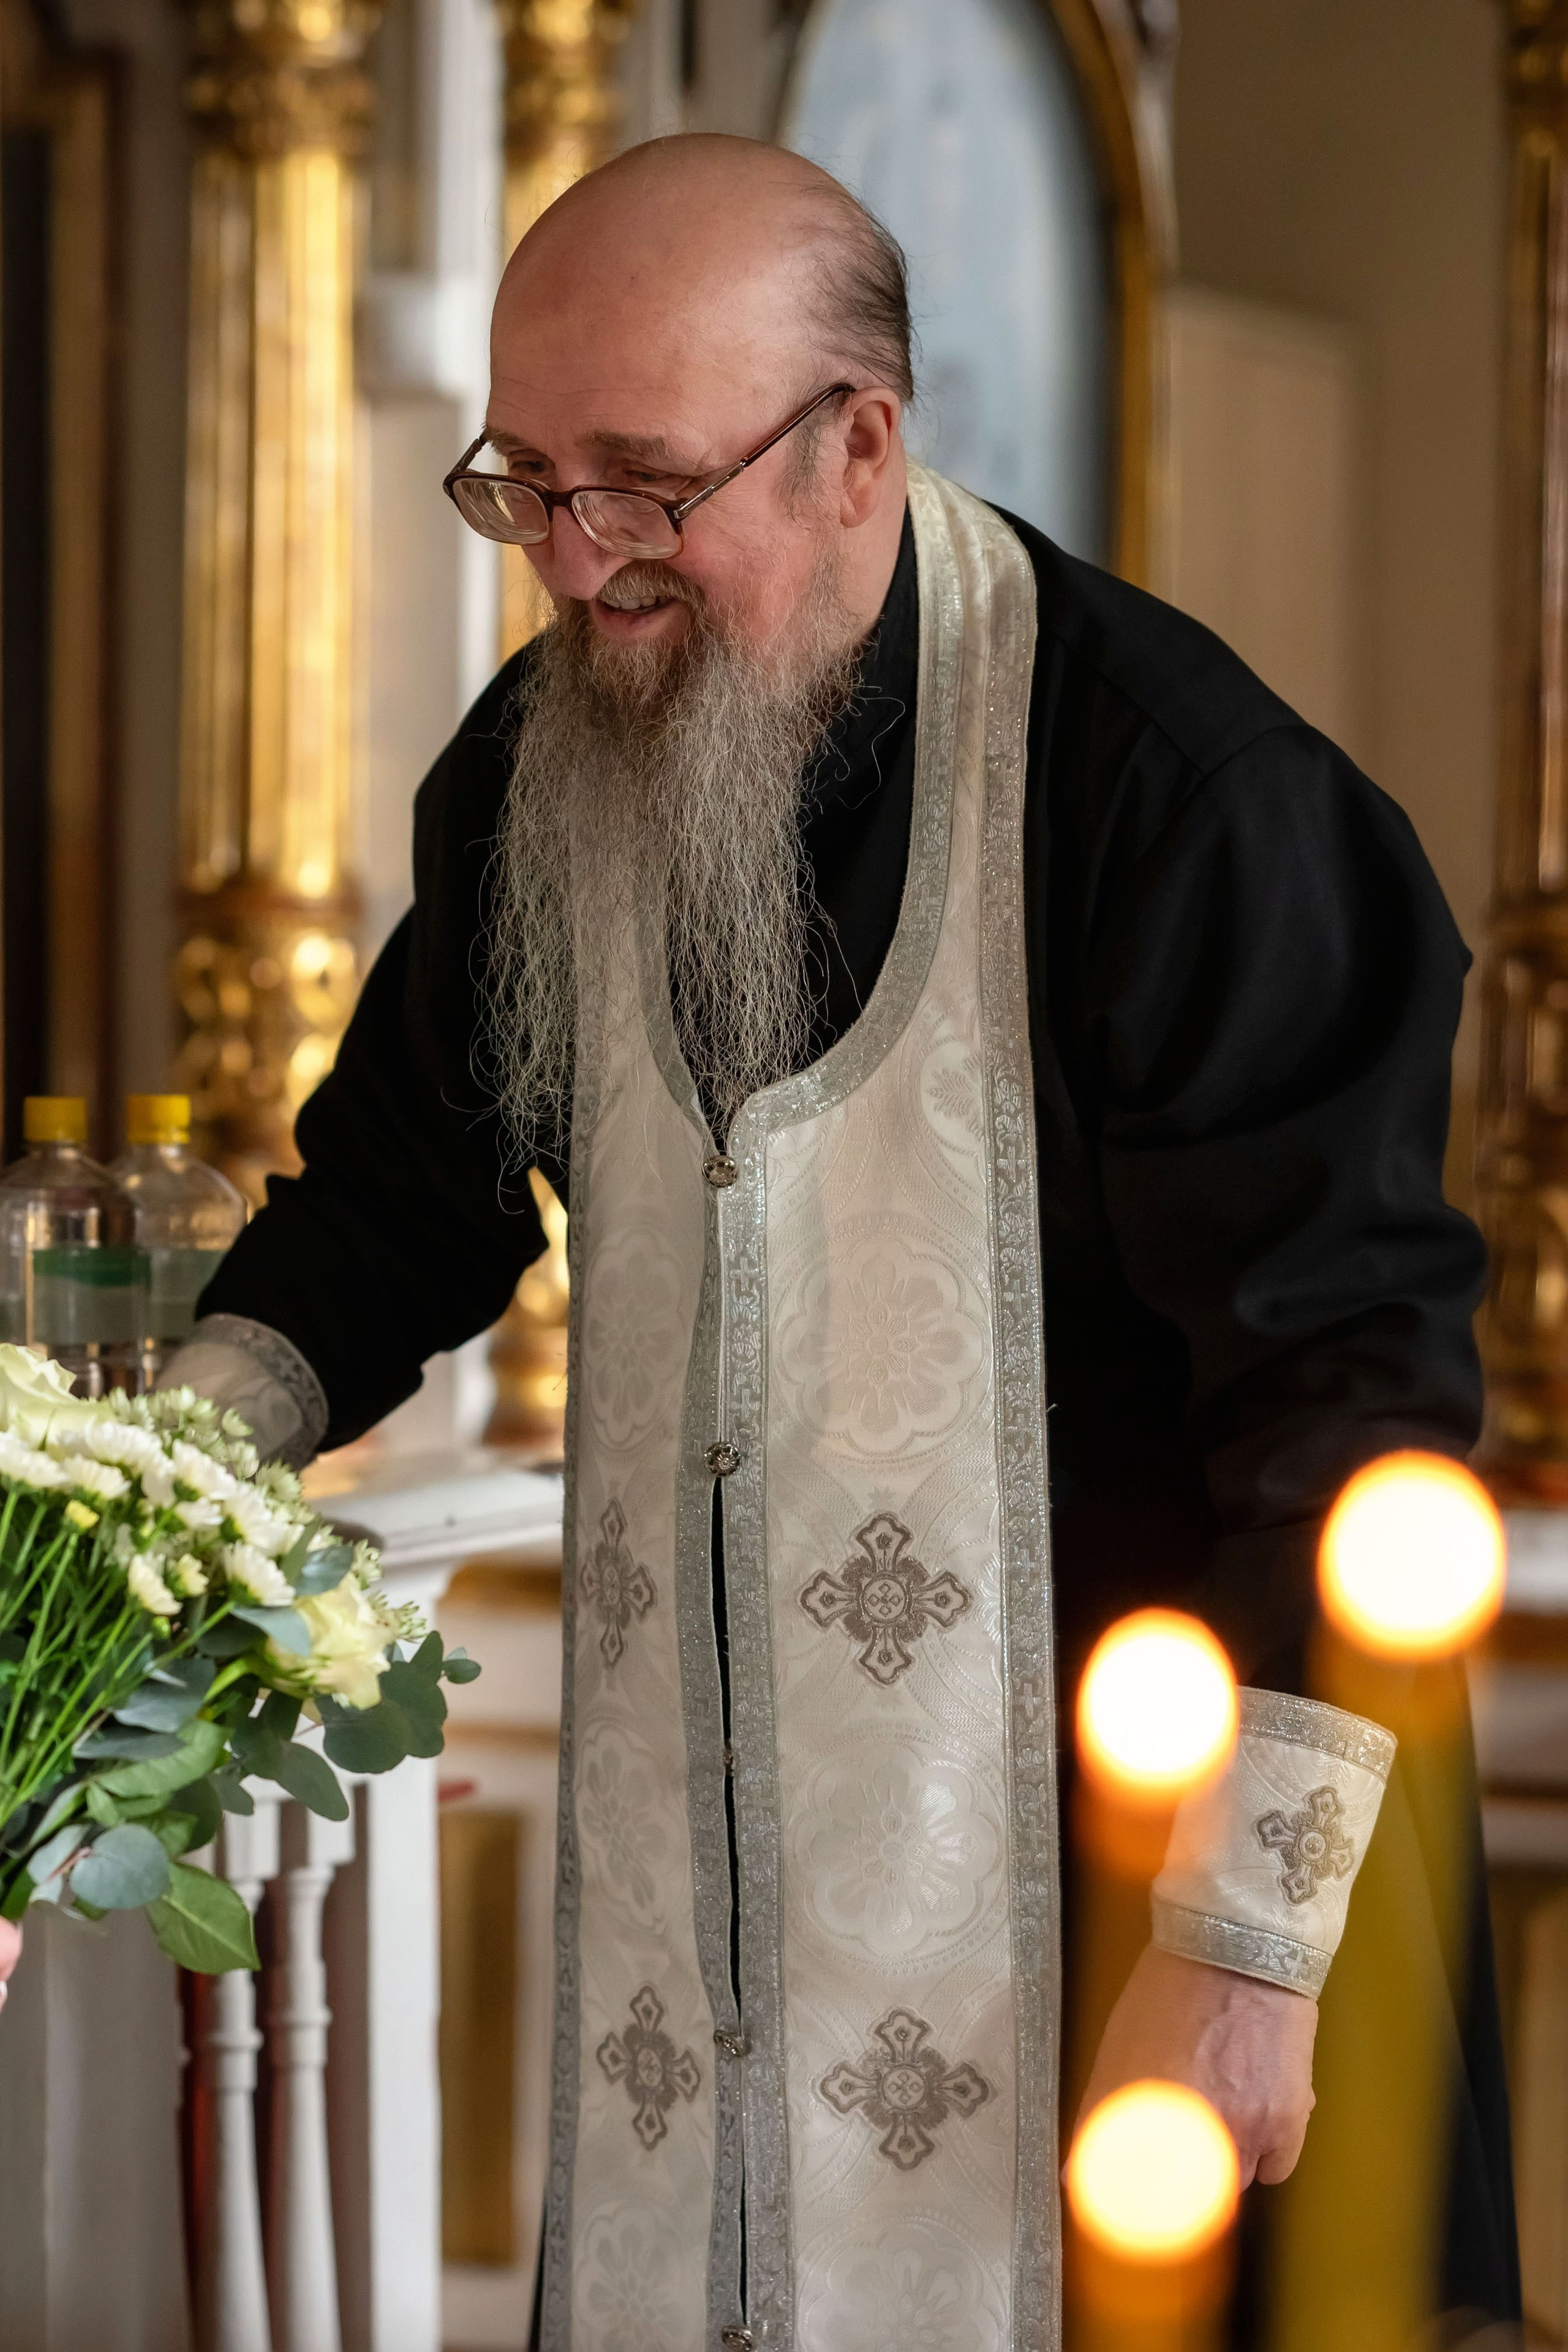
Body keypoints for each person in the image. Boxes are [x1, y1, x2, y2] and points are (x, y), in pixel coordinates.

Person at [170, 135, 1517, 2349]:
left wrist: (1243, 1958)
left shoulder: (1192, 805)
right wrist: (134, 1493)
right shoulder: (542, 765)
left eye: (643, 485)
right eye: (527, 486)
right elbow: (396, 1204)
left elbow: (1349, 1419)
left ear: (859, 447)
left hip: (1143, 1927)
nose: (578, 562)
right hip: (702, 1975)